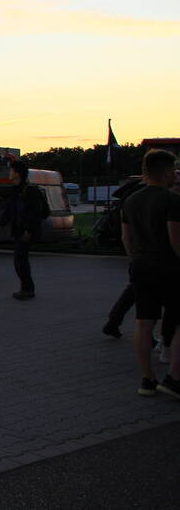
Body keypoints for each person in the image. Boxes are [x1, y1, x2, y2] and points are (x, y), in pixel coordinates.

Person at [121, 149, 180, 398]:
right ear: (166, 172)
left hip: (141, 267)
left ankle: (147, 379)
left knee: (144, 323)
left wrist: (136, 259)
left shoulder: (130, 200)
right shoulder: (172, 200)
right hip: (169, 268)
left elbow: (127, 239)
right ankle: (174, 378)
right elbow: (175, 241)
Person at [0, 160, 42, 300]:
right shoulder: (16, 190)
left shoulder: (29, 191)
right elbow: (9, 210)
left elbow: (35, 212)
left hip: (25, 231)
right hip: (19, 230)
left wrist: (29, 230)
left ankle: (28, 289)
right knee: (20, 260)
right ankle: (26, 288)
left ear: (17, 173)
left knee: (20, 260)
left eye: (11, 170)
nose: (9, 173)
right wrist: (0, 224)